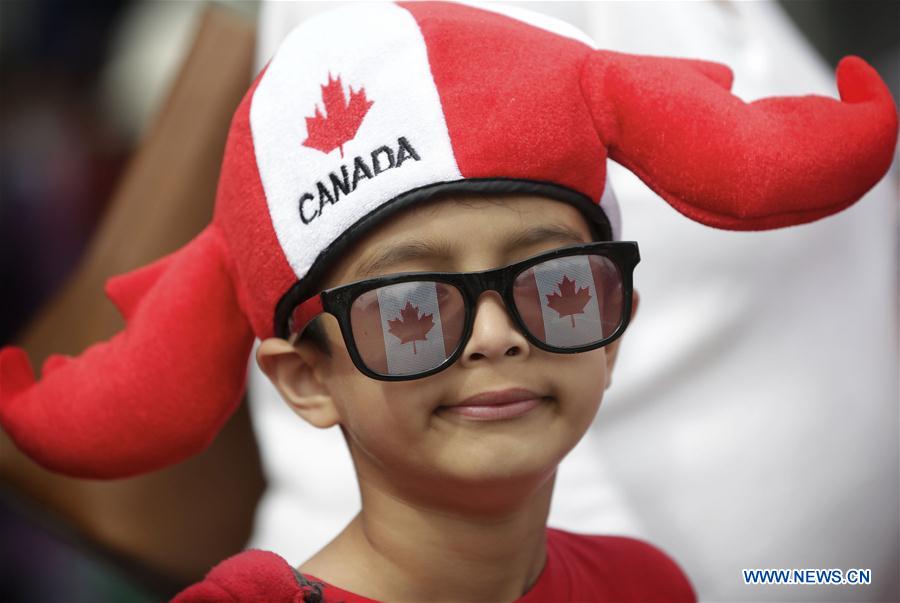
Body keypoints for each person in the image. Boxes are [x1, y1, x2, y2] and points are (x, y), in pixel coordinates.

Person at [0, 2, 894, 601]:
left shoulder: (647, 582)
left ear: (613, 322)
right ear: (306, 377)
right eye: (411, 310)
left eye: (557, 286)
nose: (497, 335)